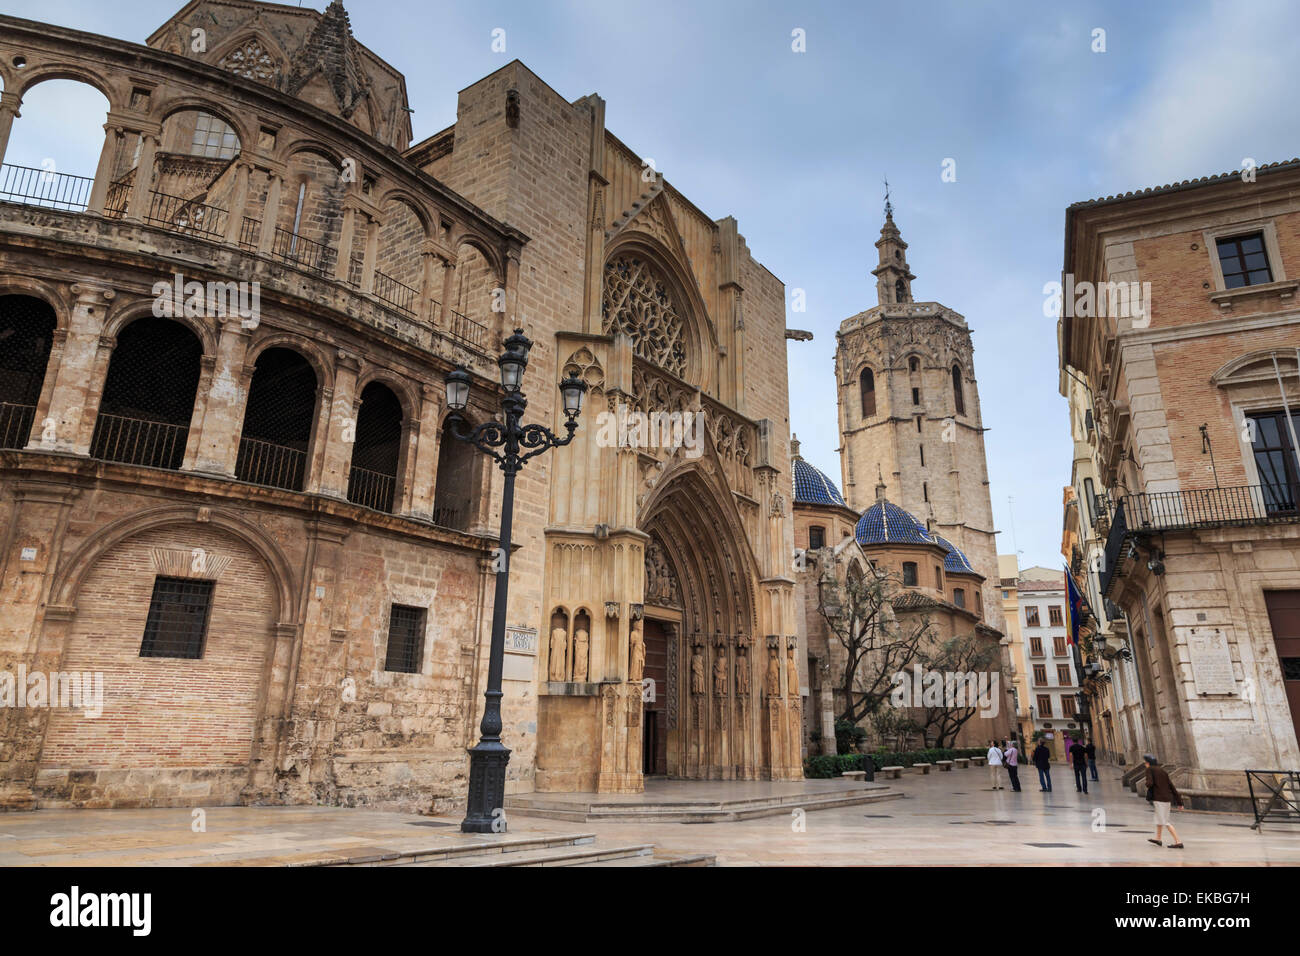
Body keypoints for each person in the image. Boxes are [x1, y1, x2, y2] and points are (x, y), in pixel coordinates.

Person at [1143, 754, 1185, 848]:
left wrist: (1147, 783)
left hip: (1159, 799)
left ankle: (1178, 841)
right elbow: (1172, 787)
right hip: (1166, 799)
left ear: (1148, 763)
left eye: (1145, 762)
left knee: (1165, 821)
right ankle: (1158, 839)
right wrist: (1179, 802)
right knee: (1160, 819)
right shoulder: (1163, 771)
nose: (1145, 764)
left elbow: (1149, 783)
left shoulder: (1150, 769)